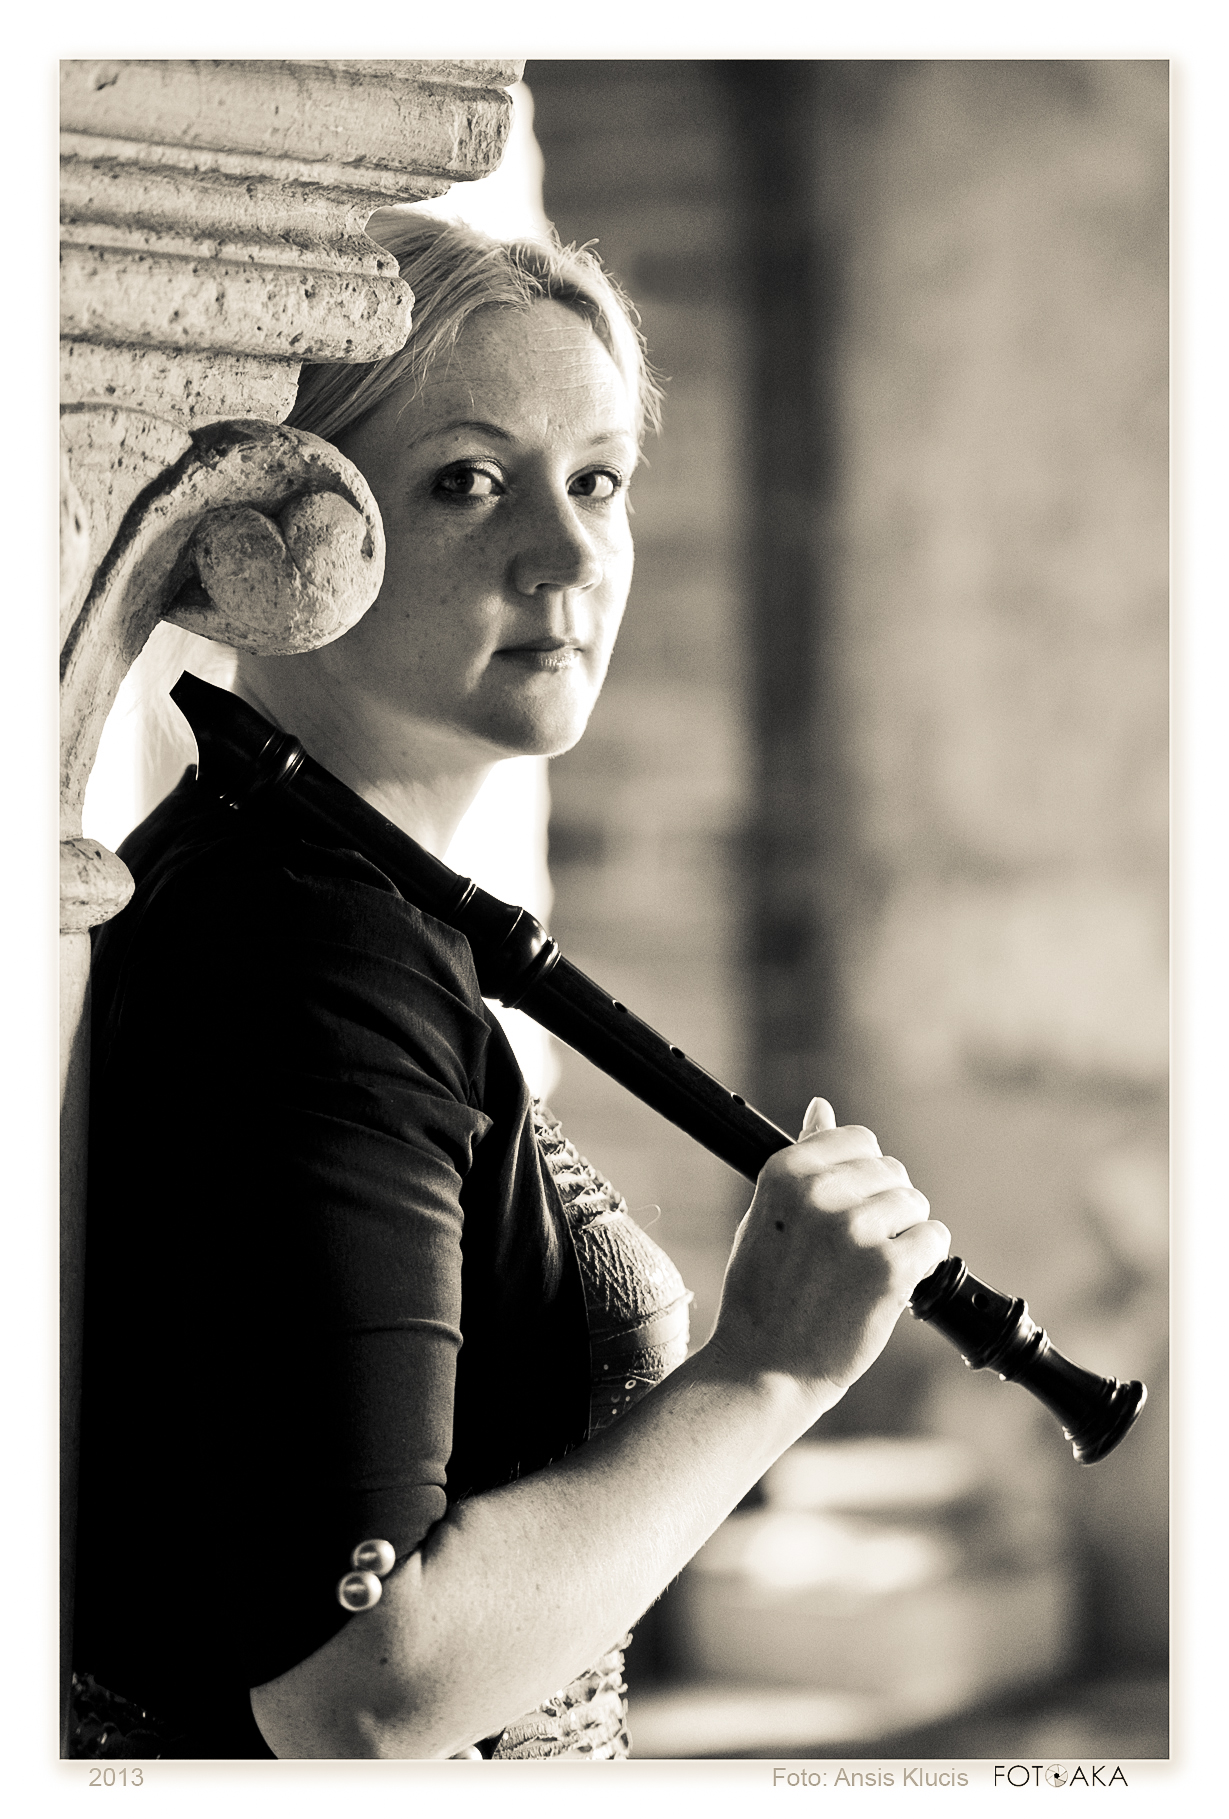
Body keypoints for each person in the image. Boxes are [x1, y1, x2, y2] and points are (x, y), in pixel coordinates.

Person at [73, 212, 948, 1761]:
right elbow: (358, 1691)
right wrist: (771, 1369)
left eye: (596, 480)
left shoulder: (324, 907)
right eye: (466, 481)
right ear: (292, 528)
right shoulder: (308, 952)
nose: (568, 554)